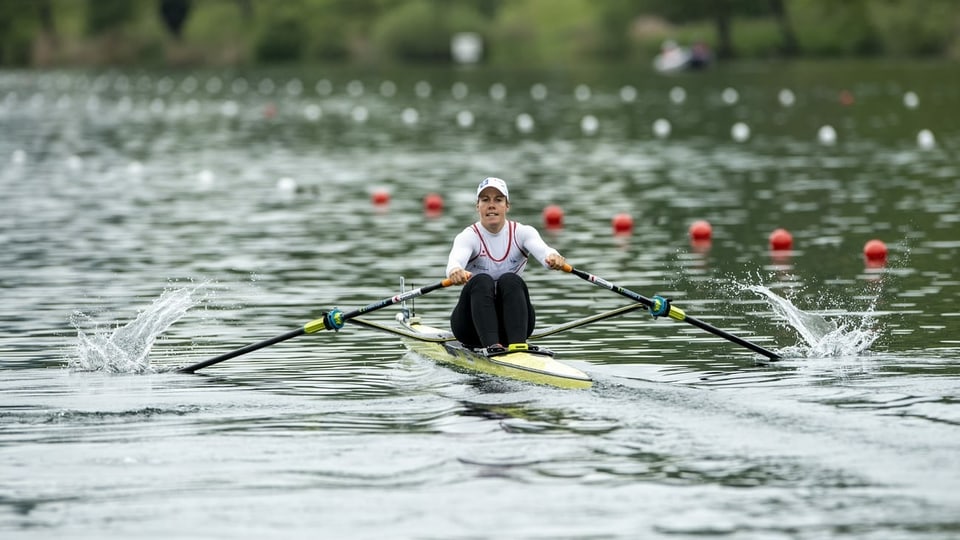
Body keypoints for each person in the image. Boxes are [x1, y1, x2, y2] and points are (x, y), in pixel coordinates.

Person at [445, 177, 567, 355]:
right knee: (481, 281)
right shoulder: (468, 236)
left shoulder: (523, 232)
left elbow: (544, 251)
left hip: (514, 325)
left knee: (510, 280)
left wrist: (553, 257)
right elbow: (454, 262)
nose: (491, 205)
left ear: (507, 206)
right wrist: (455, 271)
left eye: (498, 200)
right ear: (477, 206)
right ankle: (492, 347)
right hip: (471, 328)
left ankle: (518, 347)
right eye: (485, 200)